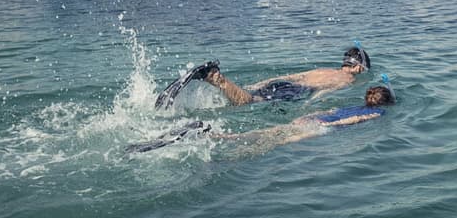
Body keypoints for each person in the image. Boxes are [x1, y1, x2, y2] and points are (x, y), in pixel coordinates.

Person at [129, 85, 394, 154]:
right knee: (271, 142)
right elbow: (348, 121)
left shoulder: (351, 103)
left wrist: (310, 117)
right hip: (319, 126)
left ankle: (213, 135)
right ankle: (213, 137)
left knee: (268, 134)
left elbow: (333, 110)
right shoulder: (376, 113)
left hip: (312, 118)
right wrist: (326, 126)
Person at [154, 47, 370, 109]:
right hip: (296, 92)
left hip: (285, 84)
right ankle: (215, 77)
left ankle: (219, 81)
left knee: (247, 96)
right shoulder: (347, 80)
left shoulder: (324, 69)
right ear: (359, 68)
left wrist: (262, 82)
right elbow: (324, 92)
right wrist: (310, 105)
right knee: (248, 101)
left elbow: (292, 75)